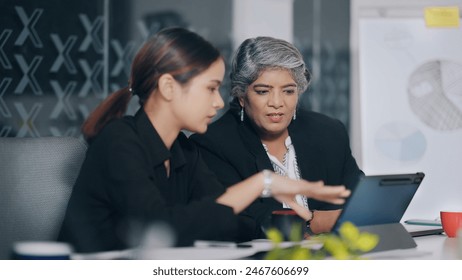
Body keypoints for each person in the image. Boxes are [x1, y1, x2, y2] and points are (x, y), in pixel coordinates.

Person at [58, 28, 350, 253]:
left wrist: (291, 221)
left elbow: (227, 219)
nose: (219, 102)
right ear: (169, 87)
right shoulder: (118, 140)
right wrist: (261, 183)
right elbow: (159, 230)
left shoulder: (183, 150)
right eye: (210, 89)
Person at [190, 36, 363, 236]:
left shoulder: (328, 131)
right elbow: (242, 222)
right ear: (241, 96)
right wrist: (313, 223)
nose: (277, 102)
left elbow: (360, 201)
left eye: (288, 91)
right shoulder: (211, 144)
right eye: (263, 91)